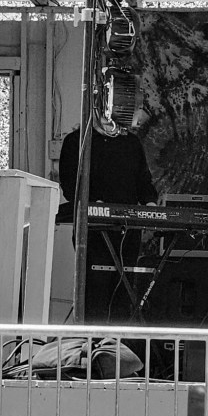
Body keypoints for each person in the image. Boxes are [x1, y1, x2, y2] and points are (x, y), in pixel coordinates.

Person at [58, 116, 159, 323]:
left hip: (127, 229)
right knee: (95, 289)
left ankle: (118, 340)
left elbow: (143, 181)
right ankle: (92, 340)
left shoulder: (130, 142)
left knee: (124, 288)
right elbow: (69, 184)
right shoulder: (76, 141)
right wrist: (93, 201)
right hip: (92, 230)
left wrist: (151, 205)